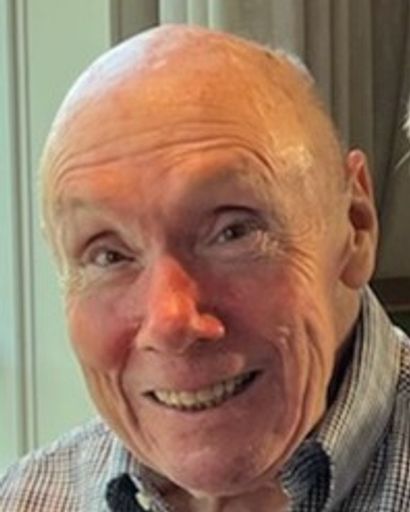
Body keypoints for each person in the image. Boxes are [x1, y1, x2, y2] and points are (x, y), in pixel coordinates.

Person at [1, 24, 409, 512]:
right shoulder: (26, 497)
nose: (170, 322)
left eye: (233, 231)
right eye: (109, 256)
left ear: (356, 225)